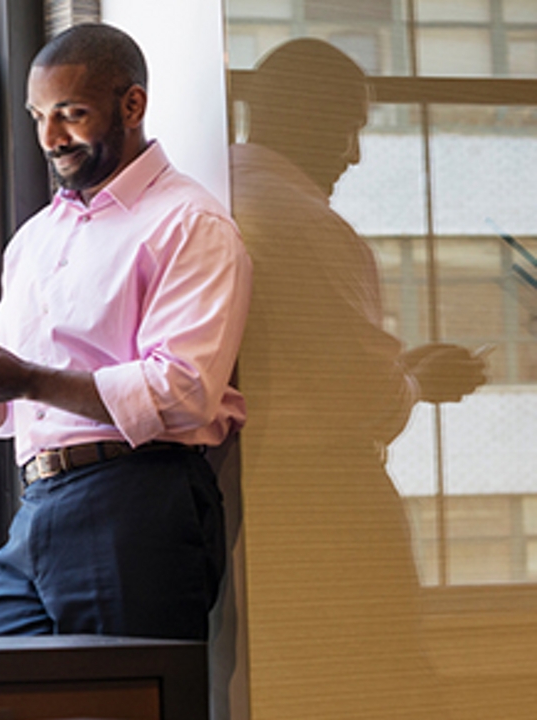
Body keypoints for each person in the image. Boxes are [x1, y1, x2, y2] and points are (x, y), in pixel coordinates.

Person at [0, 23, 252, 641]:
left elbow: (183, 390)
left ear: (132, 105)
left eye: (71, 114)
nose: (49, 138)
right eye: (39, 115)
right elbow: (17, 413)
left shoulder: (189, 222)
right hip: (37, 506)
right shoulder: (36, 239)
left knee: (124, 703)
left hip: (137, 501)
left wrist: (27, 379)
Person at [232, 38, 485, 720]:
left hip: (234, 500)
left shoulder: (202, 201)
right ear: (311, 119)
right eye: (351, 128)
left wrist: (401, 371)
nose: (354, 154)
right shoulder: (302, 222)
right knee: (378, 687)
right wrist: (411, 384)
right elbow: (360, 397)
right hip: (323, 505)